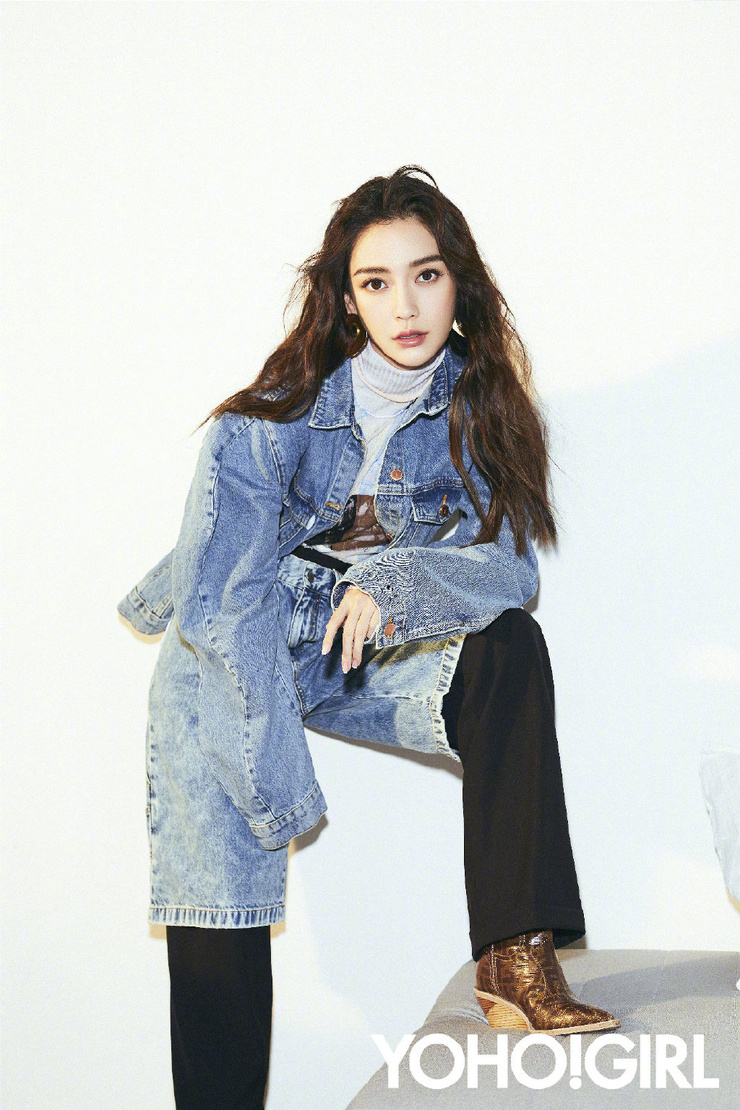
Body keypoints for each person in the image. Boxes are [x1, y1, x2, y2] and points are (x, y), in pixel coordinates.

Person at [118, 165, 619, 1109]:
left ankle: (515, 955)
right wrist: (275, 790)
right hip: (233, 644)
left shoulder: (480, 409)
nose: (406, 306)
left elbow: (510, 572)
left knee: (508, 649)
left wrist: (398, 582)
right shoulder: (263, 422)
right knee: (220, 907)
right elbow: (223, 608)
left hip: (358, 646)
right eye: (377, 283)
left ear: (459, 282)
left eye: (426, 276)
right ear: (347, 300)